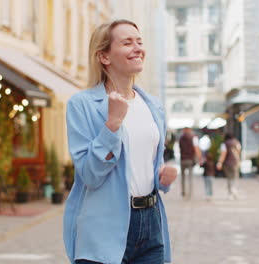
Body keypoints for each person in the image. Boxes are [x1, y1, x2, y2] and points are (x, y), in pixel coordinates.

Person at [64, 20, 177, 264]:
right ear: (104, 56)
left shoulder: (153, 106)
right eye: (127, 43)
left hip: (151, 223)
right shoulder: (82, 105)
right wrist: (112, 124)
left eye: (139, 42)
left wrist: (161, 177)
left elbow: (140, 166)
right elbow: (89, 175)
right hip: (104, 229)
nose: (138, 48)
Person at [178, 127, 202, 199]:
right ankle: (190, 193)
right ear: (190, 130)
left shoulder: (181, 138)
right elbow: (196, 148)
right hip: (190, 160)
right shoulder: (193, 138)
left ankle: (183, 192)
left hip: (183, 159)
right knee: (190, 177)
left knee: (183, 177)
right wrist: (200, 158)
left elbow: (180, 148)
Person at [216, 133, 241, 200]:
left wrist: (220, 162)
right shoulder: (236, 142)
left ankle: (231, 193)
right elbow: (238, 152)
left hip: (227, 163)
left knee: (229, 178)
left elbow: (223, 154)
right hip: (235, 162)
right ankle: (235, 190)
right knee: (235, 177)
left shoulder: (224, 144)